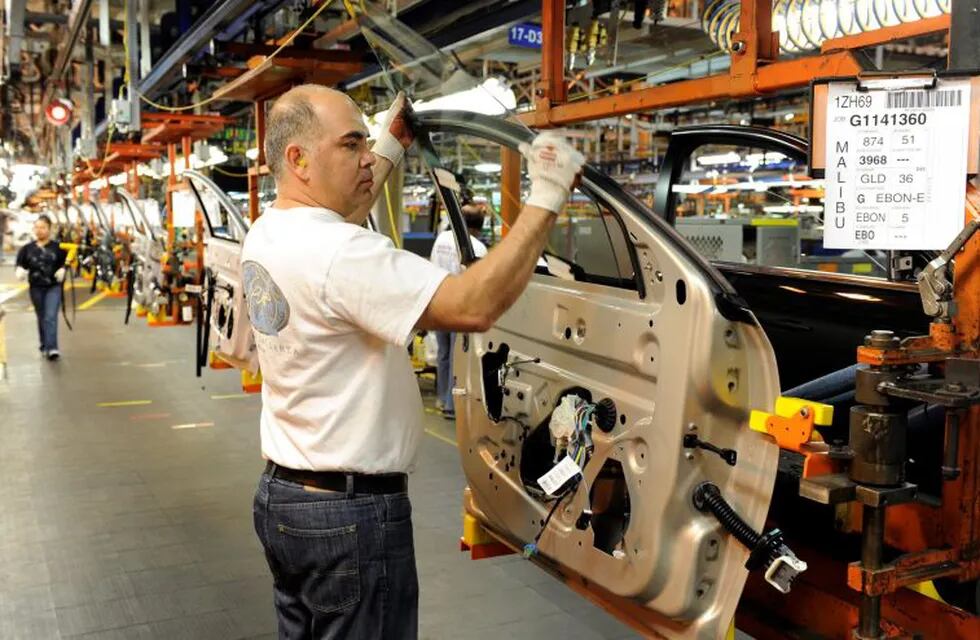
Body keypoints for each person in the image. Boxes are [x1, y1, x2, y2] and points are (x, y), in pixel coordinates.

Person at [242, 84, 584, 640]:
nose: (364, 161)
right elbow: (472, 305)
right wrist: (547, 194)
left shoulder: (271, 229)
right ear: (298, 160)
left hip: (286, 500)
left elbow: (347, 200)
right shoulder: (340, 253)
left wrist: (391, 144)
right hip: (349, 518)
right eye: (352, 145)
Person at [428, 193, 487, 419]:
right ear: (479, 228)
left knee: (443, 354)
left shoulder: (441, 240)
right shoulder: (478, 247)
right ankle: (453, 406)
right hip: (459, 308)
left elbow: (432, 264)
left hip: (436, 301)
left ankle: (443, 398)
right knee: (457, 357)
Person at [15, 215, 67, 360]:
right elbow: (21, 264)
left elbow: (67, 262)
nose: (39, 230)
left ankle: (52, 348)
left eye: (43, 227)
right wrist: (19, 271)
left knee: (50, 316)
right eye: (37, 227)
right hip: (36, 288)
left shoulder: (58, 248)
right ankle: (44, 343)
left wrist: (63, 269)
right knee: (42, 316)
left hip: (53, 287)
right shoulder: (27, 249)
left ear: (49, 229)